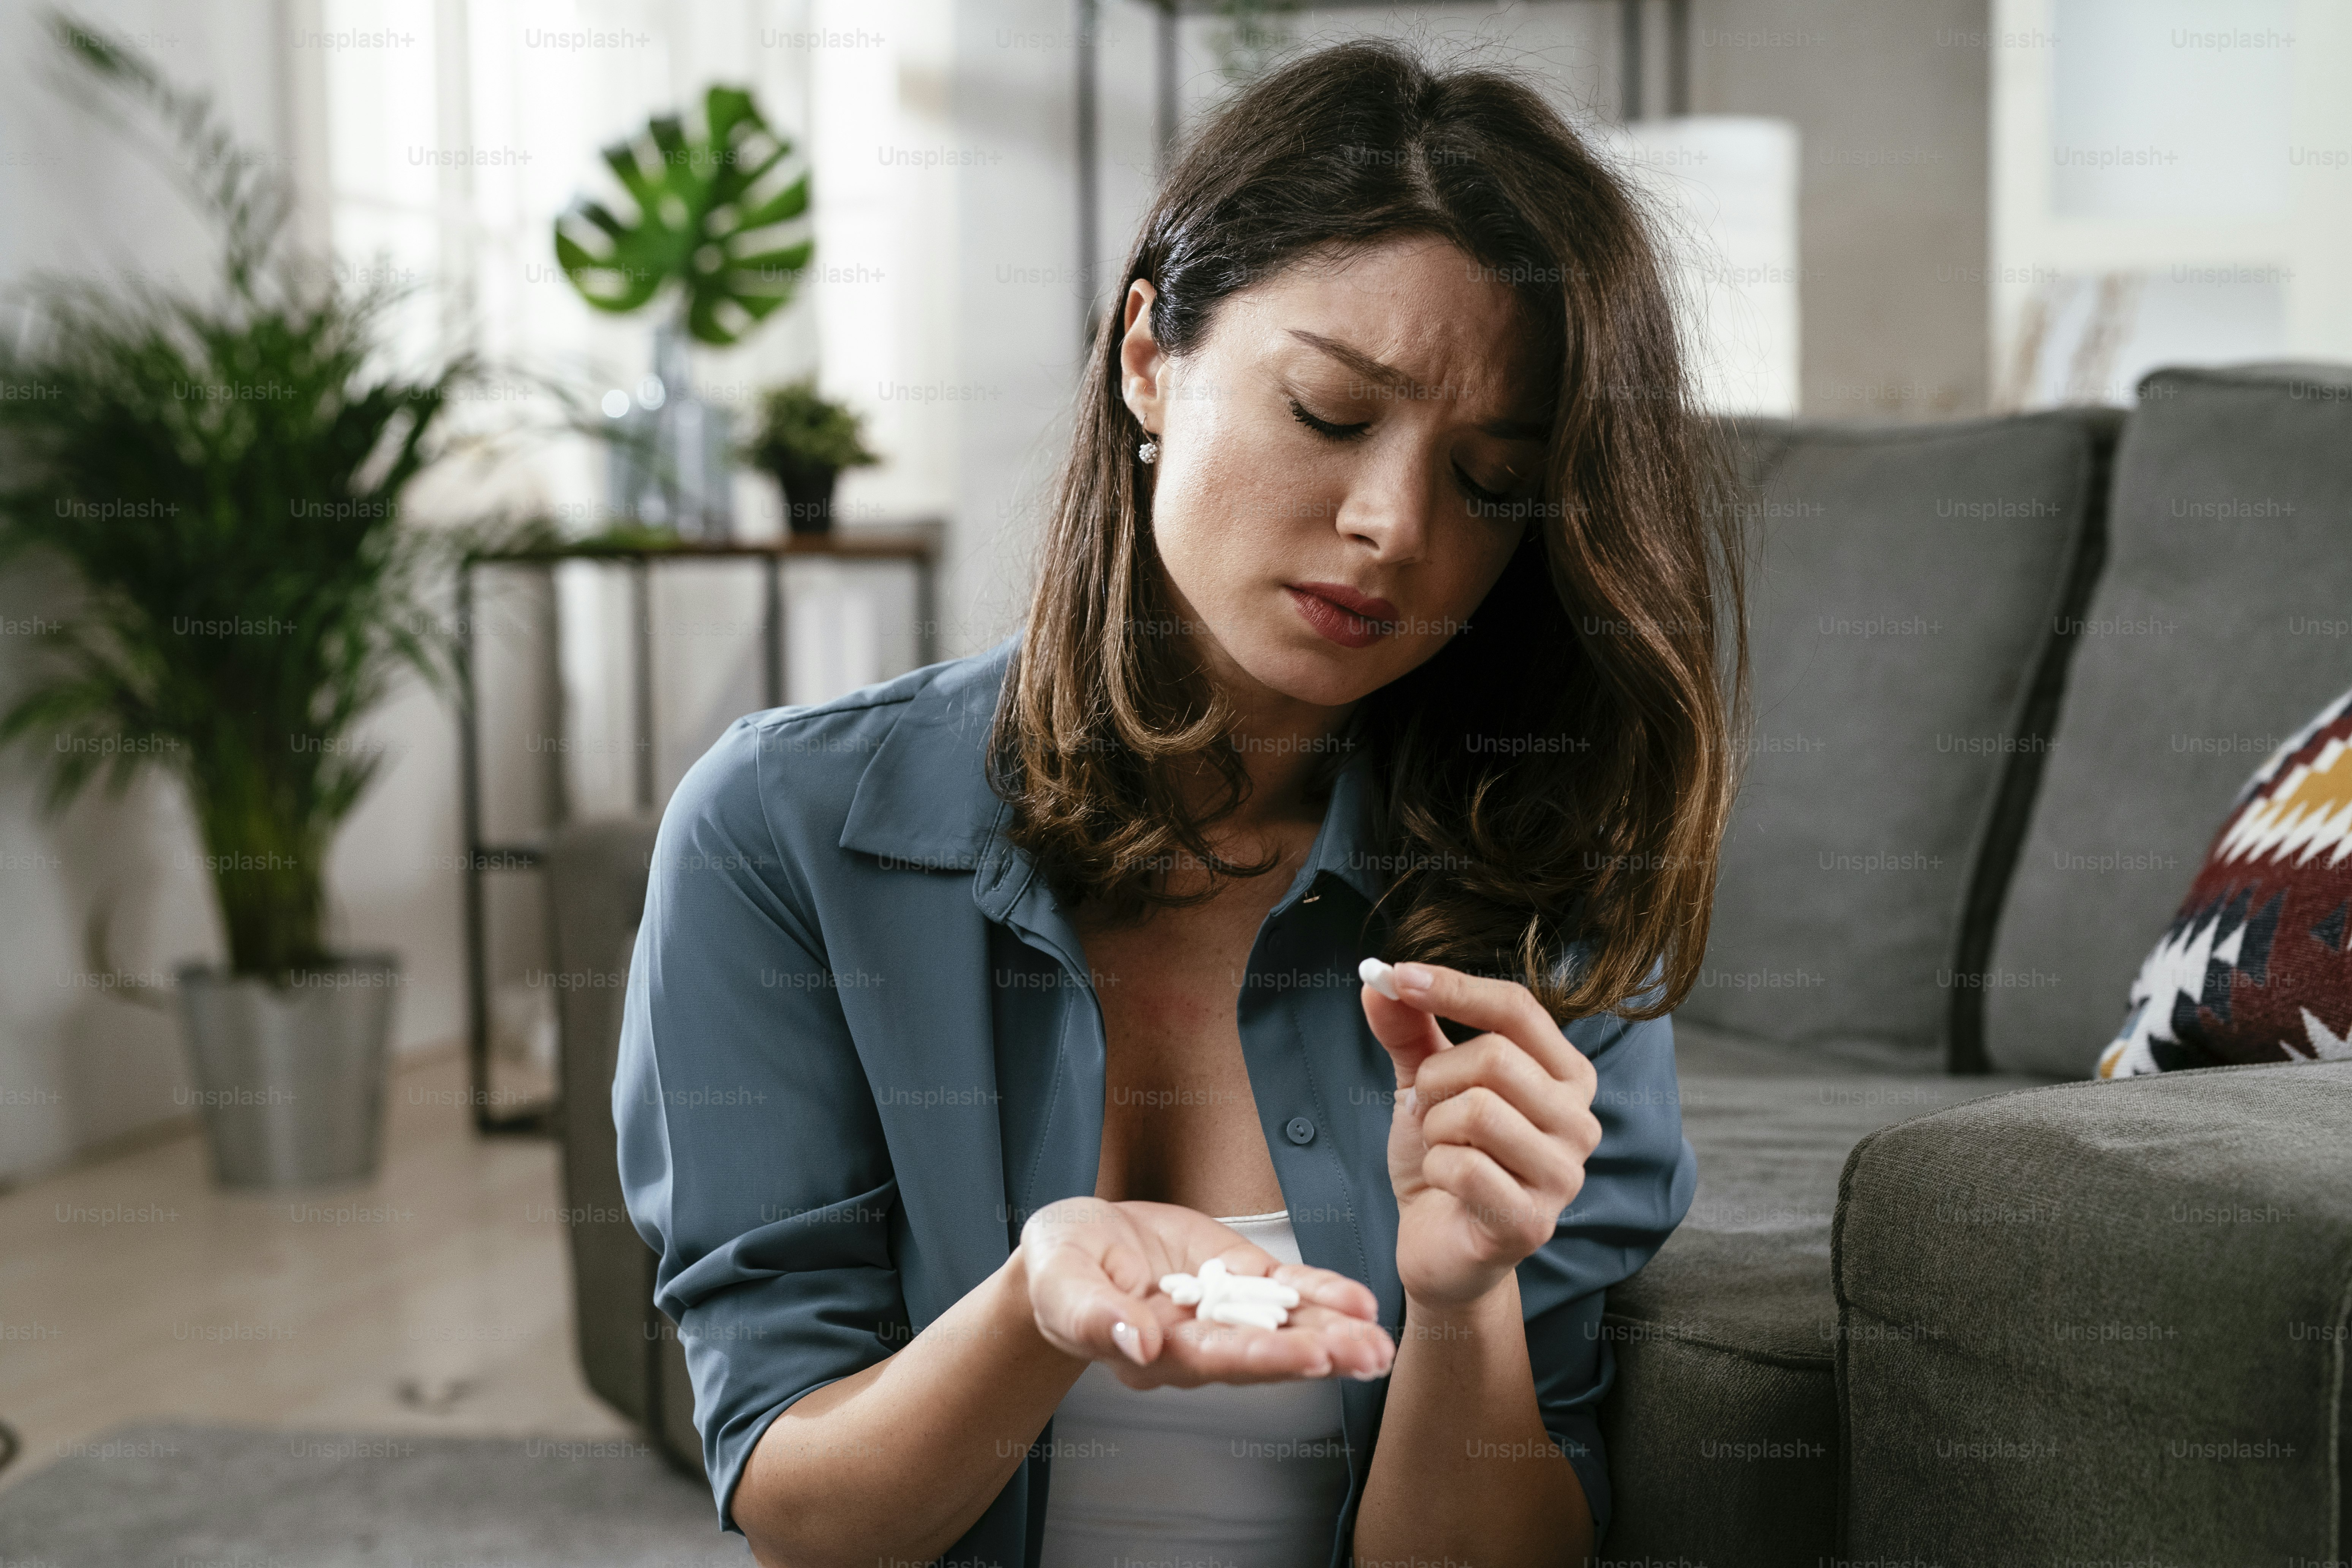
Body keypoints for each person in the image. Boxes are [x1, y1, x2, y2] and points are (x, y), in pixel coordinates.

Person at [613, 34, 1747, 1568]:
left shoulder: (1545, 885)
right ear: (1149, 355)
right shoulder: (784, 831)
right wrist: (1033, 1314)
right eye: (1331, 412)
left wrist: (1466, 1300)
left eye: (1490, 481)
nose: (1392, 525)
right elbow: (806, 1514)